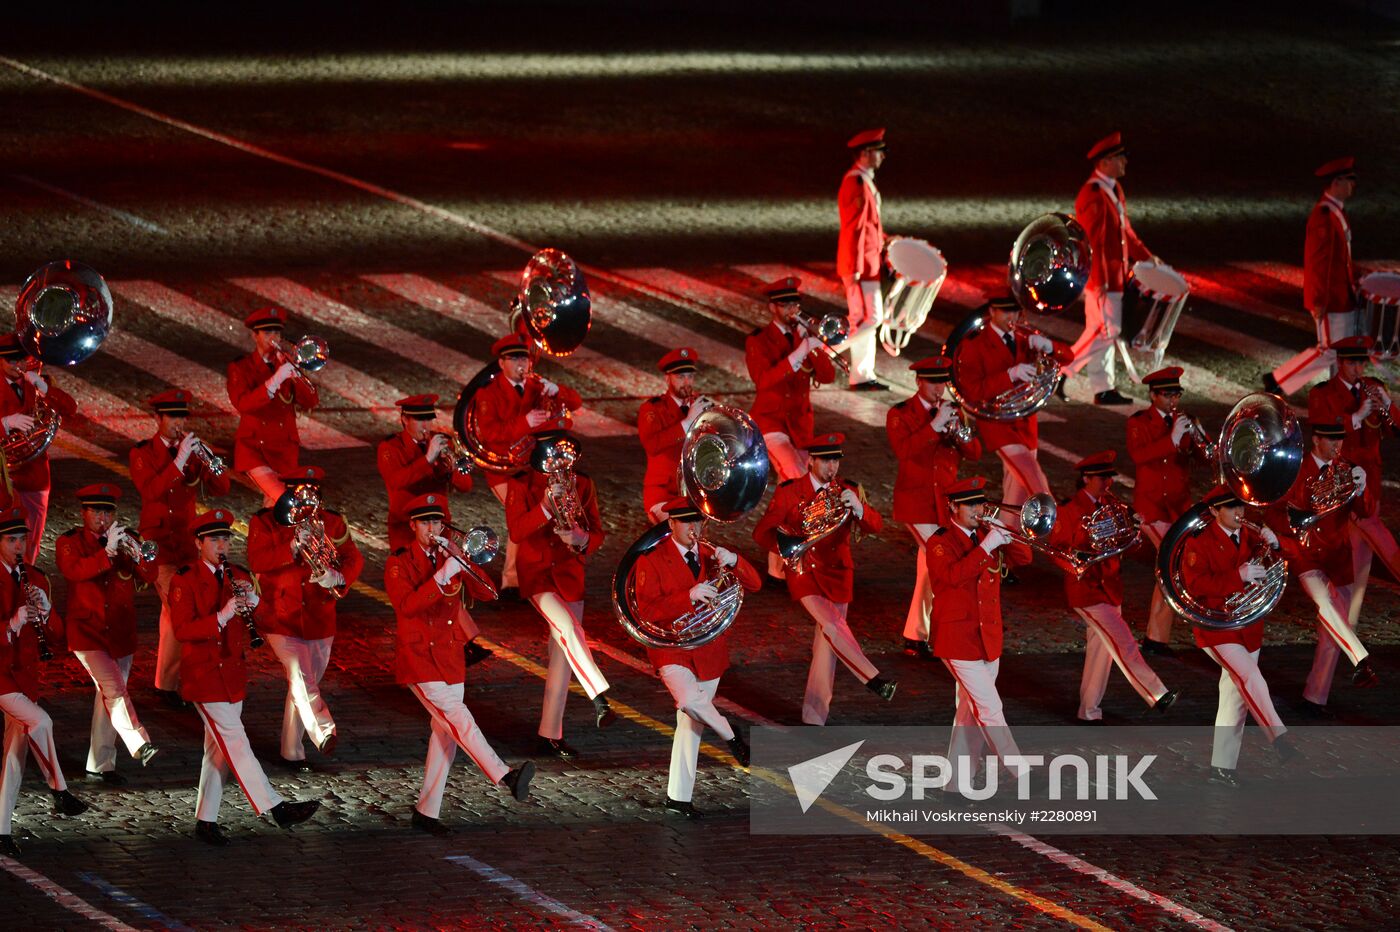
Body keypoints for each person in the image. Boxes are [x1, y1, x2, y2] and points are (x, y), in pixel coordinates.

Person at [170, 508, 321, 846]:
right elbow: (182, 630)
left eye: (225, 538)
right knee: (236, 742)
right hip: (205, 678)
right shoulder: (184, 578)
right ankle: (276, 807)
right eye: (215, 540)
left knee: (218, 750)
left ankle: (205, 821)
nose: (222, 545)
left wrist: (255, 603)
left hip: (233, 676)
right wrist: (221, 617)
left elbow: (267, 622)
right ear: (199, 543)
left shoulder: (237, 574)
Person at [386, 494, 534, 836]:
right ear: (413, 527)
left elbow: (488, 593)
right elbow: (407, 606)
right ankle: (504, 775)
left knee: (445, 734)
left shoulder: (450, 554)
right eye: (425, 523)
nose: (432, 529)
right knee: (458, 719)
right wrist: (442, 575)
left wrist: (464, 561)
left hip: (450, 659)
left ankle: (427, 811)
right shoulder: (399, 562)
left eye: (436, 522)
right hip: (420, 658)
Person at [754, 433, 896, 724]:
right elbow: (762, 532)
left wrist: (859, 508)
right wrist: (788, 550)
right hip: (805, 573)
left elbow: (877, 526)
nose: (832, 467)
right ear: (811, 461)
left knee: (827, 647)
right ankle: (873, 678)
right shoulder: (789, 491)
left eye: (835, 461)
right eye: (826, 461)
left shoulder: (849, 489)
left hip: (838, 574)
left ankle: (814, 717)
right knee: (832, 625)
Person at [633, 497, 761, 819]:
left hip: (708, 650)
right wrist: (686, 596)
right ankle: (731, 735)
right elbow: (646, 611)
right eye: (687, 522)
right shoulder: (650, 560)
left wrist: (735, 561)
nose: (694, 528)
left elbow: (755, 584)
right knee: (690, 701)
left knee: (690, 724)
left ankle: (678, 797)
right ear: (671, 524)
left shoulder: (710, 555)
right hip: (670, 649)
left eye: (698, 522)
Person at [246, 467, 364, 772]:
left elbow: (354, 558)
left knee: (304, 684)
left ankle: (291, 751)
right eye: (301, 494)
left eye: (312, 493)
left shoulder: (332, 521)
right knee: (301, 676)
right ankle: (324, 731)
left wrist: (337, 577)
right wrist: (289, 547)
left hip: (319, 616)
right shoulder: (264, 521)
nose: (308, 501)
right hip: (280, 617)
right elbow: (256, 561)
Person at [505, 430, 615, 758]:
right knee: (570, 629)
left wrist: (582, 539)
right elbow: (517, 530)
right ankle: (599, 695)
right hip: (538, 575)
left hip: (570, 573)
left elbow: (597, 531)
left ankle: (549, 733)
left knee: (562, 657)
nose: (563, 467)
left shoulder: (582, 483)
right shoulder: (521, 483)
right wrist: (545, 506)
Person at [1180, 486, 1297, 786]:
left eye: (1241, 507)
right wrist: (1238, 576)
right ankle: (1279, 738)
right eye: (1231, 508)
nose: (1239, 513)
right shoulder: (1199, 543)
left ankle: (1222, 767)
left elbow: (1299, 553)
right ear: (1216, 512)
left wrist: (1278, 542)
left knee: (1235, 697)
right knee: (1251, 678)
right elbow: (1195, 586)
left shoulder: (1253, 534)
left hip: (1249, 627)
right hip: (1217, 629)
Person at [1047, 453, 1176, 722]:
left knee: (1101, 652)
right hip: (1087, 590)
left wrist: (1135, 528)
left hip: (1110, 586)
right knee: (1123, 641)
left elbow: (1126, 544)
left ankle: (1088, 711)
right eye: (1103, 477)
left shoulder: (1112, 504)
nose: (1108, 482)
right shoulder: (1069, 509)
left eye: (1109, 477)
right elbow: (1055, 550)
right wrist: (1075, 561)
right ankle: (1156, 693)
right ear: (1086, 478)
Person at [925, 478, 1031, 796]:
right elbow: (951, 578)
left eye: (980, 503)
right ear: (952, 508)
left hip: (988, 637)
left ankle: (956, 786)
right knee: (989, 706)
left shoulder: (988, 535)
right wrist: (986, 546)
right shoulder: (940, 542)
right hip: (957, 638)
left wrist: (1006, 533)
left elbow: (1024, 559)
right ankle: (1019, 771)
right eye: (970, 504)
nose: (977, 509)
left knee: (969, 713)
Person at [129, 389, 232, 708]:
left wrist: (212, 464)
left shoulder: (192, 451)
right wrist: (180, 459)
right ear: (157, 419)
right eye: (172, 417)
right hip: (157, 544)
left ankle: (166, 681)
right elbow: (151, 490)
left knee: (175, 611)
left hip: (188, 542)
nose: (178, 423)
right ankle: (182, 682)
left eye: (181, 417)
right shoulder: (142, 453)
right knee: (179, 611)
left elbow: (221, 488)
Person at [1269, 420, 1379, 715]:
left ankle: (1315, 698)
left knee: (1332, 628)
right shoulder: (1295, 469)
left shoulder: (1346, 469)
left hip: (1338, 557)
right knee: (1327, 605)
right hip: (1306, 555)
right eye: (1331, 440)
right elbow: (1277, 509)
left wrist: (1362, 487)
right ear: (1316, 440)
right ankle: (1360, 658)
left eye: (1340, 440)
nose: (1337, 446)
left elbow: (1365, 511)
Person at [54, 484, 160, 785]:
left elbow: (150, 576)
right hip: (87, 632)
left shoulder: (128, 538)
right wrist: (107, 551)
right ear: (83, 513)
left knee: (109, 697)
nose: (102, 517)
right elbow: (74, 571)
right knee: (114, 690)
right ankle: (140, 743)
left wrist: (137, 554)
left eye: (107, 511)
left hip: (121, 632)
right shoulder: (69, 542)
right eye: (96, 511)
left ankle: (100, 764)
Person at [376, 394, 490, 666]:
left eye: (429, 418)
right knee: (418, 590)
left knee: (447, 584)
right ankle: (429, 649)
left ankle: (461, 643)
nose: (426, 425)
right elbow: (397, 481)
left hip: (440, 527)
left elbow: (466, 485)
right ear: (404, 420)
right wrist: (427, 458)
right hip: (407, 528)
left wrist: (451, 467)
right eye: (419, 419)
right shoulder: (390, 448)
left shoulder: (442, 445)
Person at [0, 507, 88, 858]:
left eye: (22, 538)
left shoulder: (34, 577)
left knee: (14, 756)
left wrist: (47, 611)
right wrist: (11, 623)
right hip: (1, 675)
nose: (19, 546)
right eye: (11, 540)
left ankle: (2, 829)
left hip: (24, 674)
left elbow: (57, 637)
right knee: (41, 721)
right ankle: (60, 790)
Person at [1306, 336, 1400, 646]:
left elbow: (1394, 428)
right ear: (1339, 363)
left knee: (1359, 569)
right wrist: (1356, 417)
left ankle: (1346, 629)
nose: (1358, 368)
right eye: (1352, 363)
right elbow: (1320, 428)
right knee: (1347, 563)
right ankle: (1338, 628)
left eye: (1362, 362)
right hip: (1339, 490)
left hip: (1368, 492)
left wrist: (1388, 406)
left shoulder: (1372, 388)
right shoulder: (1323, 394)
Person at [885, 355, 981, 658]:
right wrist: (934, 427)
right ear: (918, 382)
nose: (939, 388)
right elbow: (905, 451)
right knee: (944, 565)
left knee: (929, 570)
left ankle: (915, 635)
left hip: (943, 503)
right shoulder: (900, 414)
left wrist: (957, 430)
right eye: (933, 382)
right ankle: (946, 633)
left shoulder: (952, 411)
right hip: (916, 503)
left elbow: (975, 452)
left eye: (942, 382)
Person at [473, 333, 582, 597]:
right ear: (501, 363)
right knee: (521, 518)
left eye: (524, 358)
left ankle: (529, 575)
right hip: (503, 470)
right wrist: (525, 423)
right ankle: (512, 580)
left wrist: (558, 391)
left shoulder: (535, 385)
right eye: (514, 359)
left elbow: (575, 403)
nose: (521, 365)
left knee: (538, 515)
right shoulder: (487, 394)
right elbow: (490, 433)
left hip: (532, 465)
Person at [745, 277, 837, 578]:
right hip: (771, 421)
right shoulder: (758, 340)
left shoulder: (804, 335)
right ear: (773, 307)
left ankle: (777, 563)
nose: (792, 309)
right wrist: (797, 354)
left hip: (800, 425)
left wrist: (814, 346)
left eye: (795, 304)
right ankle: (793, 559)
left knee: (793, 491)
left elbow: (828, 375)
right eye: (785, 305)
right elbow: (764, 380)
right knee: (797, 477)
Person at [955, 297, 1073, 510]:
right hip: (997, 423)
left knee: (1016, 492)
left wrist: (1049, 346)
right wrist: (1009, 375)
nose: (1012, 317)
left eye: (1015, 312)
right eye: (1006, 312)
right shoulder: (975, 344)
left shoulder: (1025, 337)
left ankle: (1010, 538)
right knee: (1032, 475)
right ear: (992, 311)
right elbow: (972, 392)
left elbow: (1068, 357)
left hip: (1026, 422)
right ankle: (1055, 519)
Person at [1066, 131, 1157, 405]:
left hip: (1113, 276)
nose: (1125, 163)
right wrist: (1101, 280)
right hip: (1103, 278)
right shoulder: (1093, 194)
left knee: (1104, 332)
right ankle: (1062, 371)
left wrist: (1147, 257)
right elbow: (1094, 242)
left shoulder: (1112, 189)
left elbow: (1124, 231)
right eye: (1120, 159)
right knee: (1105, 331)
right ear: (1105, 162)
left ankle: (1102, 388)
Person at [1266, 158, 1360, 396]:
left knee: (1338, 351)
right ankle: (1280, 380)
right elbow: (1318, 263)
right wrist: (1318, 299)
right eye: (1350, 180)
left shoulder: (1335, 211)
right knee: (1329, 350)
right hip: (1332, 298)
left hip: (1342, 296)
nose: (1353, 185)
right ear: (1336, 182)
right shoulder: (1324, 215)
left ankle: (1336, 394)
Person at [1125, 367, 1203, 654]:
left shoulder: (1185, 421)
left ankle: (1156, 637)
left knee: (1170, 567)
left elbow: (1201, 457)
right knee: (1171, 564)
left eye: (1176, 394)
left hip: (1178, 506)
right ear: (1153, 395)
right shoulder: (1138, 422)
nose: (1173, 400)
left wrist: (1204, 444)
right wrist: (1171, 439)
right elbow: (1139, 455)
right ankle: (1157, 637)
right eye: (1167, 394)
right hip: (1152, 507)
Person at [225, 306, 319, 507]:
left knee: (274, 511)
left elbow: (311, 400)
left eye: (276, 332)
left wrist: (296, 373)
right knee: (285, 502)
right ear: (254, 335)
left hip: (285, 451)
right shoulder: (241, 368)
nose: (273, 338)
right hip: (255, 449)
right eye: (267, 332)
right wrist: (276, 379)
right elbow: (243, 404)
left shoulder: (285, 363)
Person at [0, 334, 78, 563]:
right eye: (11, 361)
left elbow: (70, 409)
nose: (17, 366)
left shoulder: (37, 383)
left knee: (29, 547)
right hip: (4, 479)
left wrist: (44, 388)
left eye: (21, 360)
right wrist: (4, 423)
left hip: (35, 477)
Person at [837, 127, 891, 391]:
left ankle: (862, 374)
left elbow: (868, 226)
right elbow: (854, 229)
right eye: (879, 152)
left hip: (867, 264)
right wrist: (855, 269)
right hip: (860, 265)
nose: (882, 157)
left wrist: (886, 240)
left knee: (865, 318)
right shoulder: (855, 183)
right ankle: (824, 352)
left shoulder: (863, 180)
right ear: (866, 153)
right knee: (869, 319)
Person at [637, 348, 712, 523]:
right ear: (667, 378)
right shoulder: (652, 409)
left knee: (696, 542)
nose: (687, 382)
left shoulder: (701, 405)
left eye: (690, 377)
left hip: (694, 492)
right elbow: (652, 445)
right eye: (680, 377)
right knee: (680, 531)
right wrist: (687, 423)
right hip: (662, 493)